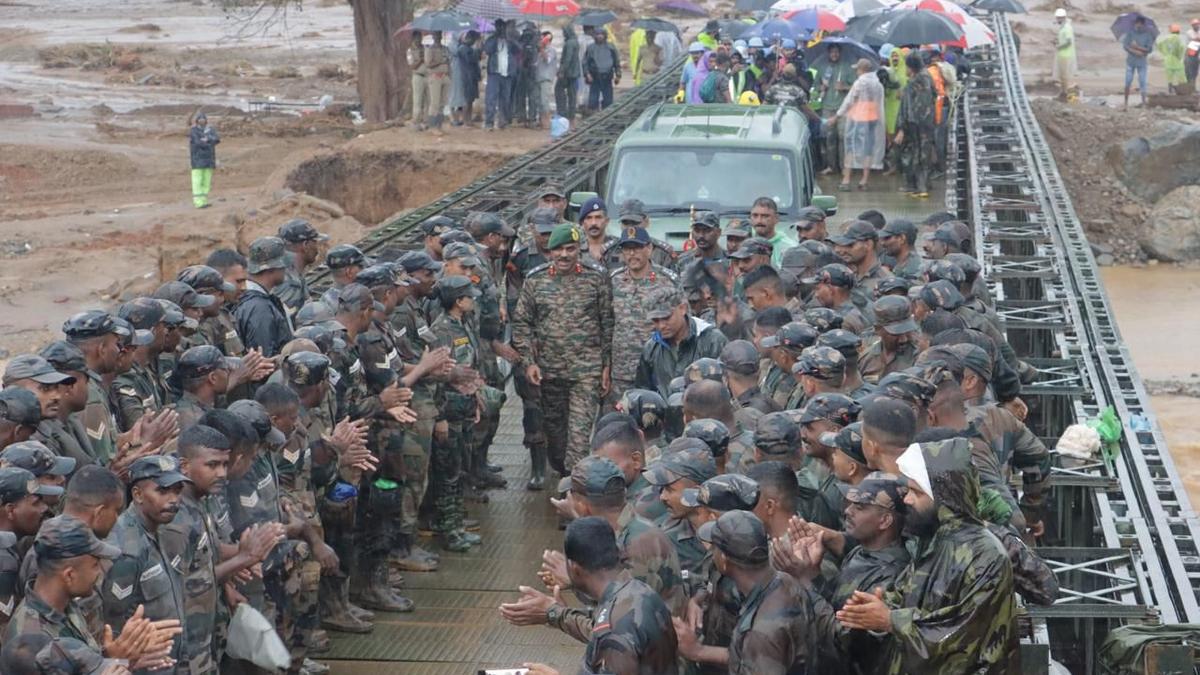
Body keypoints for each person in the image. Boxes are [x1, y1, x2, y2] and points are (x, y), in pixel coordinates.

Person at [835, 438, 1018, 673]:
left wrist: (890, 620)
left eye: (916, 492)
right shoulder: (934, 542)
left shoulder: (985, 556)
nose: (907, 499)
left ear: (944, 497)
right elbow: (905, 594)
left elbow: (961, 633)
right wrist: (874, 606)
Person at [509, 517, 680, 675]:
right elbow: (602, 622)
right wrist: (555, 612)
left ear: (574, 568)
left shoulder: (614, 628)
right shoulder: (640, 591)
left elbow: (611, 629)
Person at [512, 223, 613, 474]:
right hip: (549, 371)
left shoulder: (596, 277)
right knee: (556, 443)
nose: (564, 255)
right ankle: (565, 473)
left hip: (586, 372)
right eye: (558, 249)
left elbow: (607, 323)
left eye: (570, 249)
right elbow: (522, 323)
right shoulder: (535, 280)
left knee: (578, 441)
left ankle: (576, 492)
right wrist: (529, 362)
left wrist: (606, 365)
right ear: (549, 251)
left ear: (579, 250)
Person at [675, 510, 816, 673]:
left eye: (713, 548)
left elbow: (759, 651)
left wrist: (697, 652)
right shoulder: (786, 581)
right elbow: (754, 656)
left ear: (723, 560)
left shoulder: (761, 631)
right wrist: (699, 652)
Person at [608, 226, 679, 411]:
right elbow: (606, 323)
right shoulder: (613, 280)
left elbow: (681, 321)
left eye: (637, 248)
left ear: (649, 249)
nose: (632, 254)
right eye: (627, 249)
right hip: (622, 369)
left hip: (658, 367)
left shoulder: (667, 280)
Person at [635, 286, 728, 400]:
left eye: (666, 318)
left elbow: (727, 387)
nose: (661, 326)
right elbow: (643, 391)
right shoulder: (651, 348)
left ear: (682, 308)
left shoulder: (712, 340)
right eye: (656, 320)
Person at [826, 58, 885, 192]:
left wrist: (837, 116)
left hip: (858, 118)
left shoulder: (860, 83)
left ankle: (846, 180)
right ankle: (864, 180)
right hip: (873, 118)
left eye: (857, 69)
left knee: (851, 148)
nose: (856, 72)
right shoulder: (877, 84)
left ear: (862, 69)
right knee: (868, 149)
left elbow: (849, 100)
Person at [233, 236, 294, 358]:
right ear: (272, 269)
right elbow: (264, 359)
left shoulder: (256, 300)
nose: (285, 269)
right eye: (282, 265)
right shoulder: (259, 308)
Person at [896, 53, 938, 199]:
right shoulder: (925, 77)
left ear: (911, 67)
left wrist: (903, 126)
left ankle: (921, 187)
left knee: (920, 155)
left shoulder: (918, 80)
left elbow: (913, 106)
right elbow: (933, 95)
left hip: (917, 124)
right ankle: (919, 186)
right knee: (920, 154)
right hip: (925, 123)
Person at [484, 20, 519, 130]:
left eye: (503, 27)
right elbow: (487, 50)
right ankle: (489, 123)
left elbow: (518, 49)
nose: (501, 29)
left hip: (507, 73)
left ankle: (503, 121)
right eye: (499, 27)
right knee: (491, 98)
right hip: (495, 73)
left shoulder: (510, 40)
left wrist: (509, 39)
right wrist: (496, 37)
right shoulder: (491, 39)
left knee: (505, 99)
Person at [584, 29, 621, 111]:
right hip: (595, 77)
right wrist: (587, 74)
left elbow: (616, 62)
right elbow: (585, 62)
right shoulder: (591, 48)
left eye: (602, 34)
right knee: (593, 102)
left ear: (605, 35)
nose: (600, 36)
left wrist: (618, 75)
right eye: (598, 34)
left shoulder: (611, 47)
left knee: (608, 102)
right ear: (594, 36)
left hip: (607, 76)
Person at [450, 30, 481, 127]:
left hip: (472, 76)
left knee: (471, 99)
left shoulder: (468, 48)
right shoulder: (462, 48)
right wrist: (477, 50)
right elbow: (470, 59)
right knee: (467, 99)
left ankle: (469, 120)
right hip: (467, 76)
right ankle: (464, 120)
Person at [188, 112, 219, 209]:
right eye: (200, 119)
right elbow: (198, 143)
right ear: (197, 121)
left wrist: (207, 139)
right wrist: (209, 142)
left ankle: (204, 201)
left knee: (206, 182)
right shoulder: (193, 131)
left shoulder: (210, 130)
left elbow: (217, 139)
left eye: (203, 119)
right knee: (197, 182)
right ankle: (198, 202)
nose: (202, 121)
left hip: (209, 160)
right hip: (197, 161)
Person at [1123, 16, 1155, 108]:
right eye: (1137, 23)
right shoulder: (1130, 33)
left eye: (1140, 24)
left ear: (1143, 24)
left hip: (1142, 62)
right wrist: (1134, 51)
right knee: (1128, 81)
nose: (1138, 25)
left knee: (1142, 82)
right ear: (1135, 24)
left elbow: (1149, 49)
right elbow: (1125, 46)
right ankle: (1125, 102)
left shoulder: (1147, 35)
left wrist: (1138, 48)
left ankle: (1144, 103)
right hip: (1130, 61)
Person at [423, 31, 451, 131]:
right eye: (436, 35)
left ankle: (439, 125)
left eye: (439, 34)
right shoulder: (430, 49)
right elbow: (428, 64)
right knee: (434, 103)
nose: (438, 37)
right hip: (435, 76)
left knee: (443, 103)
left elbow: (449, 62)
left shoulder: (445, 49)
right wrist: (440, 61)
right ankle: (433, 126)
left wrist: (449, 76)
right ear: (433, 37)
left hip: (445, 76)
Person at [555, 25, 580, 122]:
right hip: (574, 73)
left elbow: (567, 59)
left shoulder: (569, 43)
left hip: (567, 73)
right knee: (572, 95)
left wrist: (562, 71)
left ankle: (562, 112)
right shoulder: (575, 41)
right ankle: (571, 114)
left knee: (559, 90)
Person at [536, 31, 558, 128]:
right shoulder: (539, 51)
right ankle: (541, 120)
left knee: (544, 101)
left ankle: (546, 122)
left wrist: (541, 48)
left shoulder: (551, 50)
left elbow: (547, 60)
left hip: (546, 78)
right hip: (538, 77)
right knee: (539, 101)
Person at [1158, 24, 1187, 93]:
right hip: (1177, 60)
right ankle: (1183, 90)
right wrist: (1180, 56)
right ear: (1178, 31)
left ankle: (1170, 90)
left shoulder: (1166, 38)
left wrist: (1165, 54)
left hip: (1168, 60)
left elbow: (1159, 45)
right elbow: (1182, 48)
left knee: (1169, 77)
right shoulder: (1179, 38)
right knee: (1181, 76)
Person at [408, 30, 428, 128]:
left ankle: (425, 121)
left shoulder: (425, 48)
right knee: (418, 100)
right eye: (417, 38)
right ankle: (416, 122)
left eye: (420, 37)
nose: (419, 39)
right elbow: (412, 66)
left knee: (428, 100)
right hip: (418, 76)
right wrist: (421, 59)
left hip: (427, 76)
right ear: (413, 38)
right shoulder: (410, 50)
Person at [1187, 19, 1200, 86]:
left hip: (1196, 50)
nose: (1196, 26)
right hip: (1192, 51)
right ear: (1192, 26)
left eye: (1197, 24)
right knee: (1190, 70)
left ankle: (1193, 85)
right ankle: (1191, 85)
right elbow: (1193, 39)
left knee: (1195, 71)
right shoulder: (1189, 32)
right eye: (1194, 25)